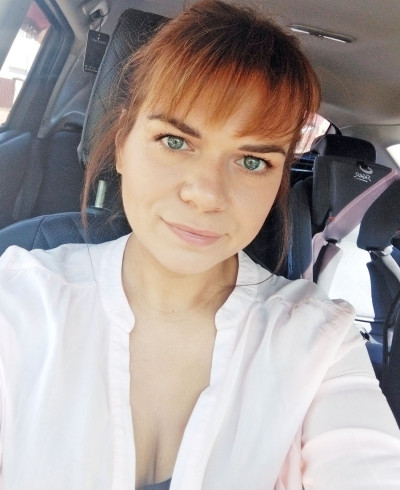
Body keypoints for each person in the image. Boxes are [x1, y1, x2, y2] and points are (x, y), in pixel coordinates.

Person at [0, 1, 399, 489]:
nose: (207, 194)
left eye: (252, 161)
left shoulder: (319, 340)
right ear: (122, 143)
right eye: (175, 141)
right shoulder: (19, 297)